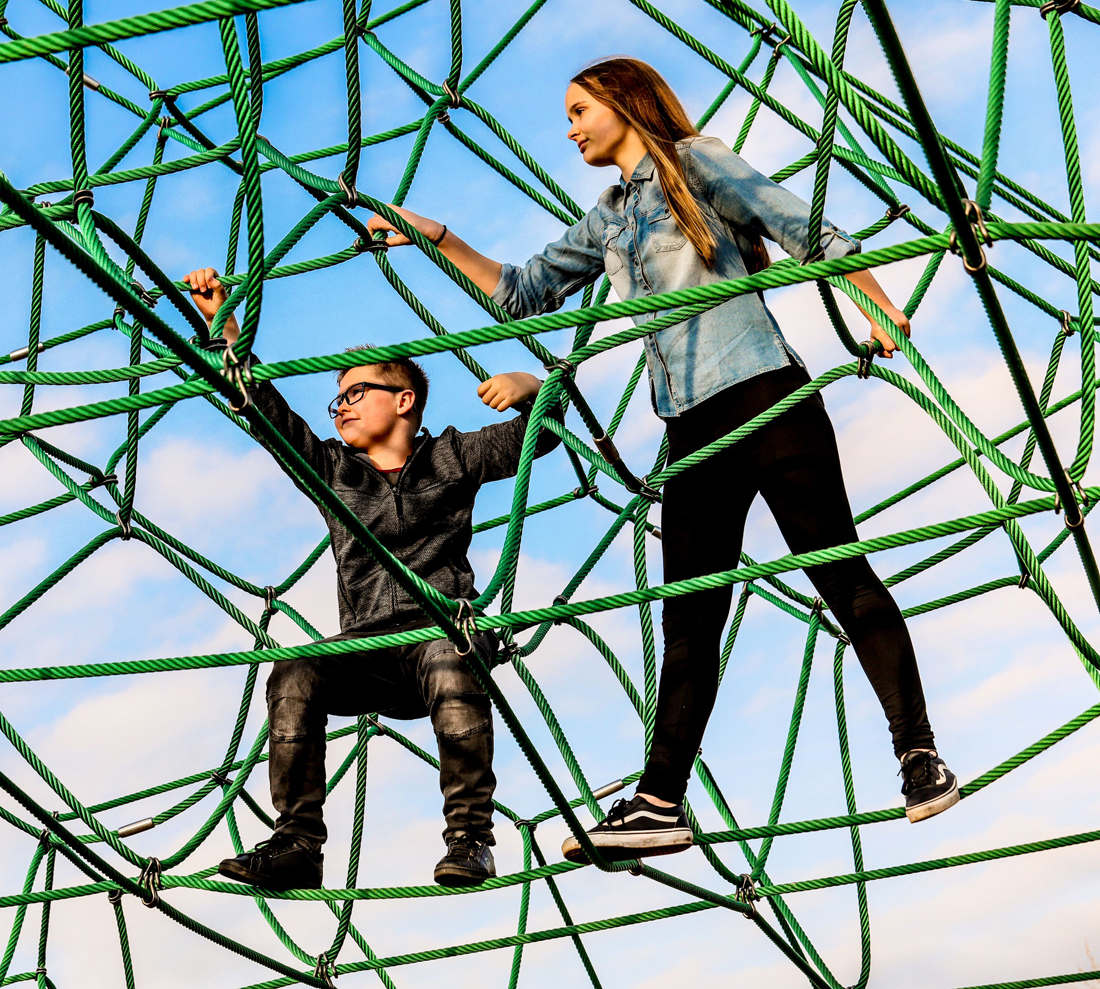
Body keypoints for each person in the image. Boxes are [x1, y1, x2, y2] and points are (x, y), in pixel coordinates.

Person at [365, 56, 958, 864]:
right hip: (691, 430)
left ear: (622, 102)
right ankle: (658, 804)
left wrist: (875, 302)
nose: (570, 128)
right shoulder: (608, 218)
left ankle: (918, 754)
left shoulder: (698, 161)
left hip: (765, 396)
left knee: (840, 576)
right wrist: (434, 235)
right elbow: (520, 291)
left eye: (579, 110)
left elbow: (803, 228)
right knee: (688, 624)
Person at [181, 267, 559, 889]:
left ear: (403, 400)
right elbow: (264, 412)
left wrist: (532, 386)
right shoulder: (332, 471)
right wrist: (224, 334)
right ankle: (299, 842)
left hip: (446, 638)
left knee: (447, 651)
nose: (341, 408)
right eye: (338, 399)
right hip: (371, 652)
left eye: (356, 393)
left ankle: (470, 839)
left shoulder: (454, 456)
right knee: (295, 667)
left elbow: (538, 435)